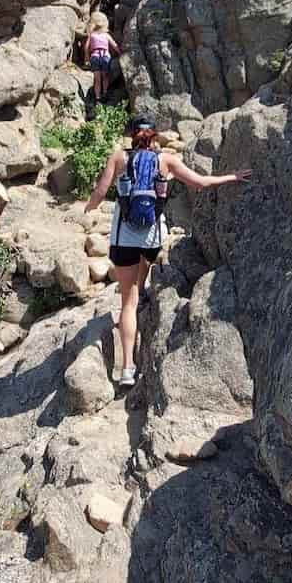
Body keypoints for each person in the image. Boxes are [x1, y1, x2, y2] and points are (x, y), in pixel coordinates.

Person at [85, 115, 251, 388]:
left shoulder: (118, 158)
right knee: (142, 272)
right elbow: (200, 183)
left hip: (123, 237)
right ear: (155, 137)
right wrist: (233, 177)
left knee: (127, 301)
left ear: (132, 136)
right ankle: (141, 286)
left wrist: (88, 209)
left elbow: (101, 192)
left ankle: (127, 368)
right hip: (151, 236)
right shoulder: (167, 160)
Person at [84, 12, 120, 104]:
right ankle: (105, 93)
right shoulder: (106, 35)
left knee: (97, 78)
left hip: (95, 56)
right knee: (105, 77)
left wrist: (87, 58)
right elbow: (115, 45)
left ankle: (97, 98)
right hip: (105, 56)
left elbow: (86, 47)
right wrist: (120, 53)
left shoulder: (92, 35)